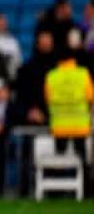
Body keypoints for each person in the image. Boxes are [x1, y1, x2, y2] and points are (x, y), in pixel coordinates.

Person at [44, 49, 93, 193]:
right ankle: (86, 190)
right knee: (82, 159)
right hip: (80, 125)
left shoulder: (52, 75)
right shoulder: (83, 74)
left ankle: (56, 191)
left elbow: (47, 99)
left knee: (58, 160)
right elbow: (90, 97)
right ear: (73, 60)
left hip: (59, 126)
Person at [0, 13, 23, 80]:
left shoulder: (12, 41)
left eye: (4, 22)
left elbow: (18, 61)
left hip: (9, 76)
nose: (3, 24)